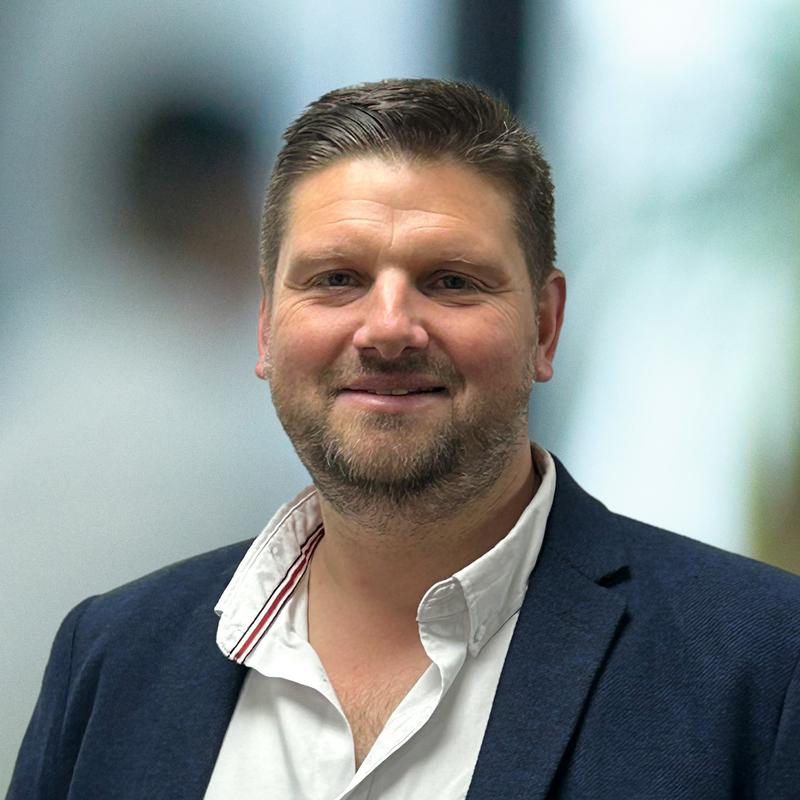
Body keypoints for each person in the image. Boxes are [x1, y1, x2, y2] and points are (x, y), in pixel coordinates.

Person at [8, 78, 800, 800]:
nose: (387, 328)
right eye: (336, 279)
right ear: (266, 327)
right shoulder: (110, 661)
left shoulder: (759, 668)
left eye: (451, 280)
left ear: (545, 326)